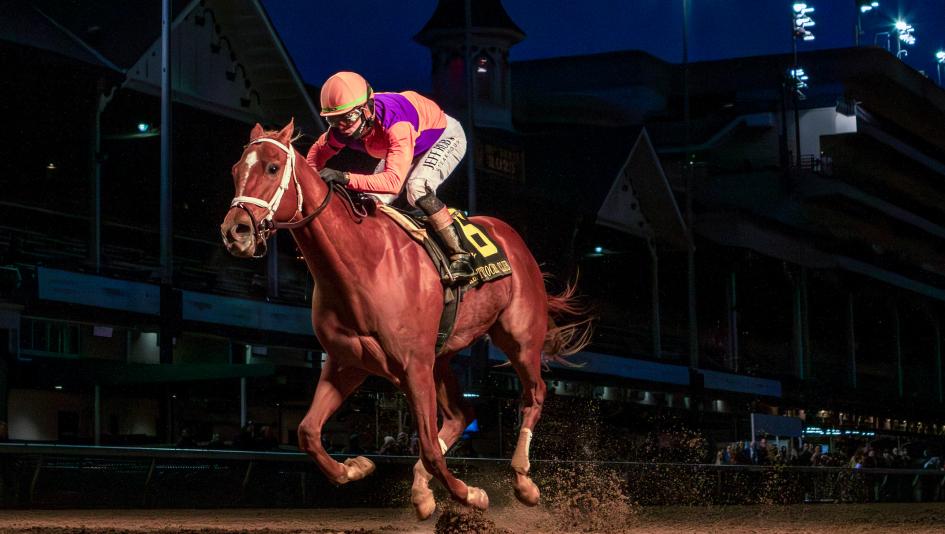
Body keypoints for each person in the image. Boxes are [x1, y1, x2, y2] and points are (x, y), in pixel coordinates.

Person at [306, 71, 474, 283]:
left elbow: (393, 183)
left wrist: (344, 177)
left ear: (367, 108)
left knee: (417, 188)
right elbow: (314, 158)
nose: (342, 127)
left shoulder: (395, 122)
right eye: (333, 119)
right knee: (370, 200)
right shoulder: (343, 128)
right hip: (409, 144)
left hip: (443, 137)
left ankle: (461, 255)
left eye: (348, 118)